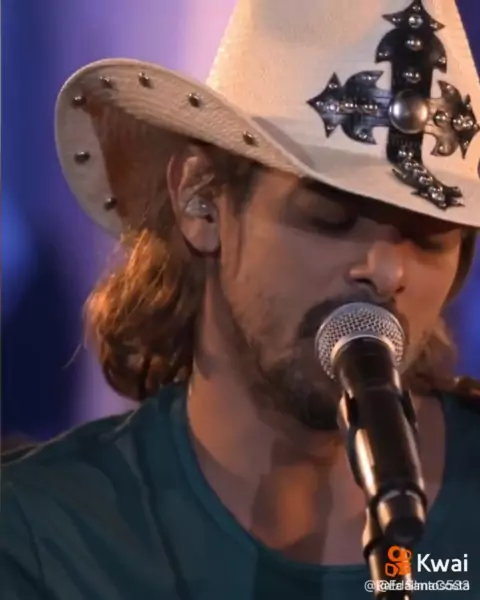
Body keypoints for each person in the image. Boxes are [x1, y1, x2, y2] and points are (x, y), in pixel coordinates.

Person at [2, 0, 480, 597]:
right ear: (201, 203)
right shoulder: (42, 538)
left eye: (429, 238)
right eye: (330, 218)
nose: (386, 272)